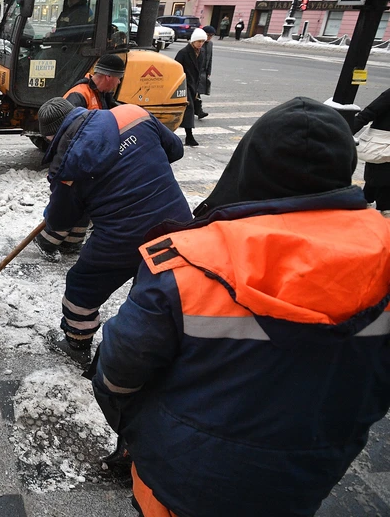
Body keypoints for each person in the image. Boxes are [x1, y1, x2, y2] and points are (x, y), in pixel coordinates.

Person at [92, 97, 390, 517]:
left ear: (249, 162)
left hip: (180, 478)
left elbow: (120, 370)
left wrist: (135, 428)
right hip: (306, 477)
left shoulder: (188, 264)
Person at [37, 98, 191, 368]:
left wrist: (58, 207)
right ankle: (170, 342)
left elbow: (61, 220)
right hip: (176, 224)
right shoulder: (133, 113)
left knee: (82, 284)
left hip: (123, 241)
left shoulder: (67, 168)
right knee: (160, 286)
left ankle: (76, 344)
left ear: (52, 135)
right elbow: (175, 149)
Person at [353, 87, 390, 214]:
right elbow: (369, 112)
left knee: (378, 181)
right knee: (376, 178)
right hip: (380, 144)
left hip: (382, 145)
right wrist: (346, 131)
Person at [175, 28, 207, 147]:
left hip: (194, 85)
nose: (200, 44)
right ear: (193, 41)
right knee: (189, 109)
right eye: (198, 41)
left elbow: (199, 71)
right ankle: (189, 136)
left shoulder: (201, 52)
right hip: (184, 84)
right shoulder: (184, 52)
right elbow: (176, 68)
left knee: (186, 110)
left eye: (202, 41)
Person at [196, 26, 215, 120]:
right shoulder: (198, 43)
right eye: (208, 35)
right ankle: (199, 111)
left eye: (211, 35)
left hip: (203, 71)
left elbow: (210, 58)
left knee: (198, 92)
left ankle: (198, 110)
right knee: (196, 92)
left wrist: (209, 71)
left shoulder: (210, 44)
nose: (210, 37)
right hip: (195, 71)